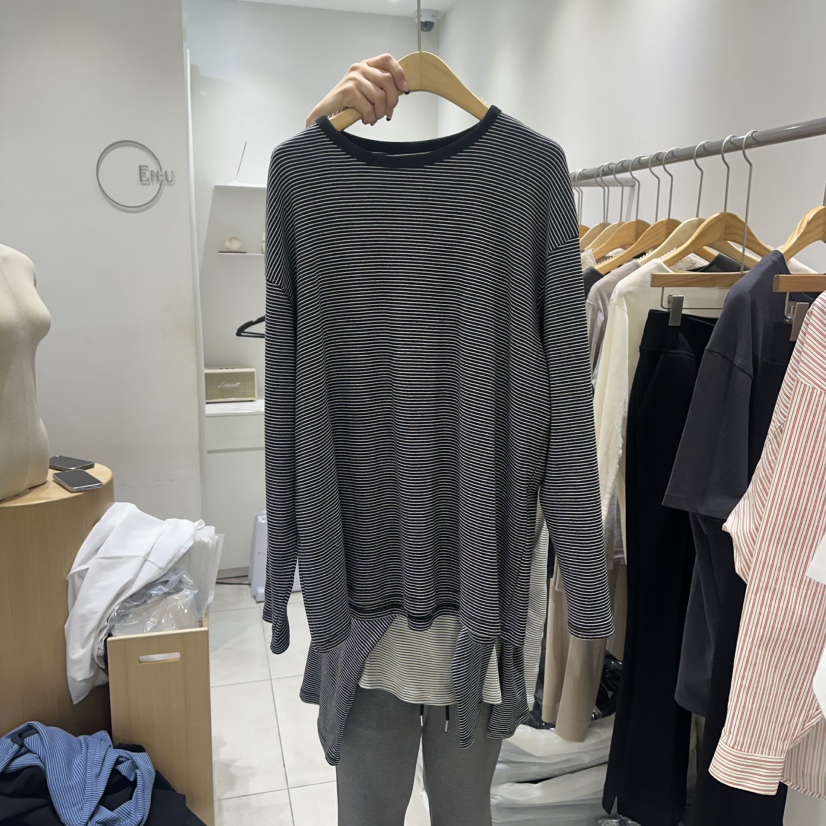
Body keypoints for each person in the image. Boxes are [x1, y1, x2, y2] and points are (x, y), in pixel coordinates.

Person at [301, 54, 505, 826]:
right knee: (370, 810)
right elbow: (300, 368)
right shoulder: (316, 192)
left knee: (464, 811)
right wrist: (318, 128)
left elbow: (560, 424)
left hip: (482, 598)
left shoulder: (524, 186)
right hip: (365, 598)